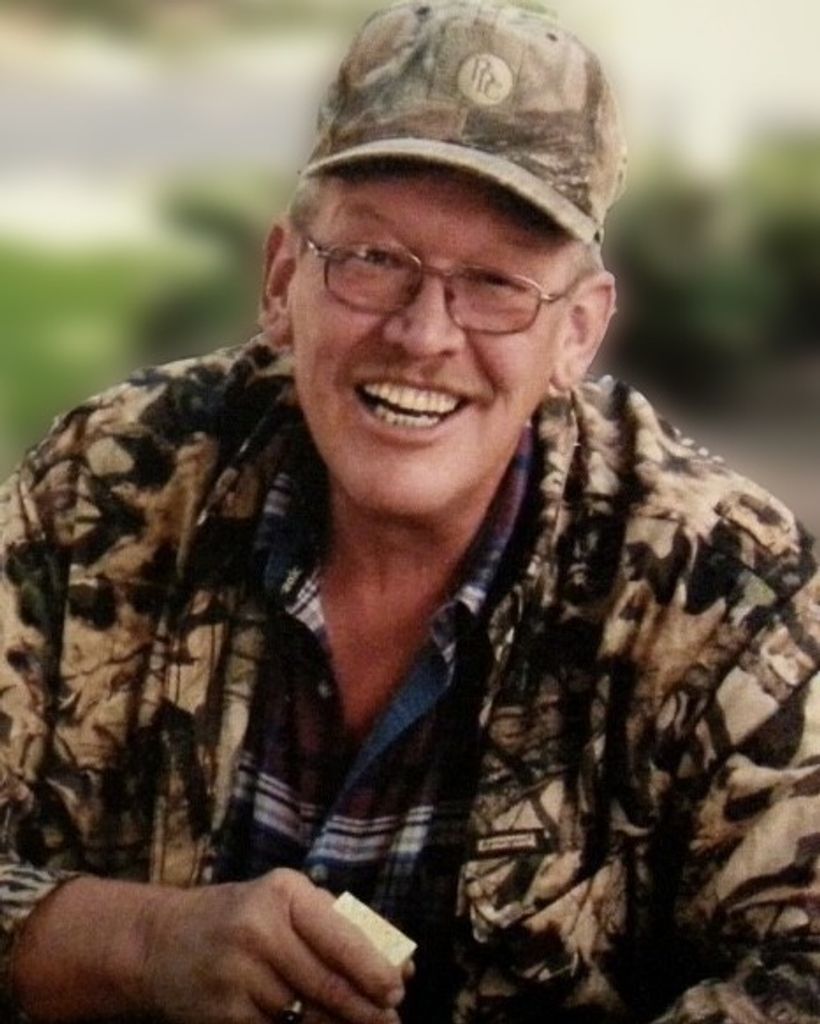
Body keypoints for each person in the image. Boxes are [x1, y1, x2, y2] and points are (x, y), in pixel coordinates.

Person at [1, 1, 818, 1022]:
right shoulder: (107, 484)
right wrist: (139, 945)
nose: (425, 335)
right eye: (375, 259)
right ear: (281, 279)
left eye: (497, 283)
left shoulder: (716, 583)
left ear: (577, 333)